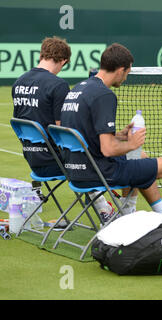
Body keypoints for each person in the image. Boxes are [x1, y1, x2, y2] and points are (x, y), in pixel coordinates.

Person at [60, 43, 162, 213]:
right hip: (98, 173)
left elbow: (85, 135)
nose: (125, 79)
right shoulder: (105, 95)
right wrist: (132, 144)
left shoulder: (78, 89)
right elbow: (107, 149)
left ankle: (154, 214)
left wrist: (120, 136)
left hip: (74, 170)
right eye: (127, 73)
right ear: (121, 69)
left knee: (141, 156)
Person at [12, 36, 115, 221]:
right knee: (95, 151)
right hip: (57, 162)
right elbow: (64, 131)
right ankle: (106, 210)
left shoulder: (18, 83)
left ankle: (104, 207)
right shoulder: (58, 85)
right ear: (64, 60)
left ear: (42, 54)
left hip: (33, 161)